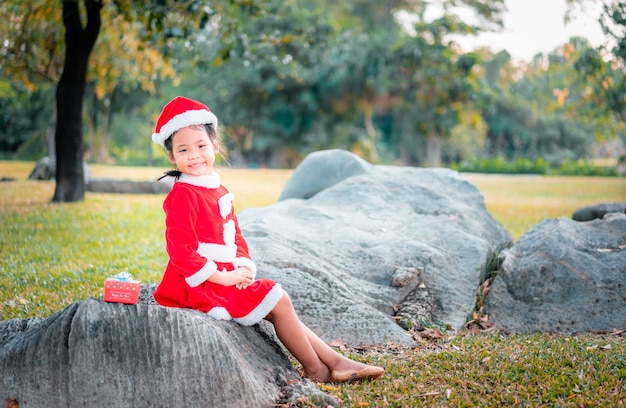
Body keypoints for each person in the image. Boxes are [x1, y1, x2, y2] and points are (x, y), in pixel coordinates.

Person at [151, 96, 385, 383]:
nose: (195, 154)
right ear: (172, 157)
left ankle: (334, 363)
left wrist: (244, 266)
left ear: (215, 146)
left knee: (276, 305)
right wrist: (224, 278)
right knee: (279, 298)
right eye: (183, 149)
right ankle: (319, 369)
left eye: (201, 146)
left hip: (225, 275)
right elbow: (180, 253)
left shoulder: (217, 188)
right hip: (198, 285)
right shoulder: (182, 194)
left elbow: (234, 234)